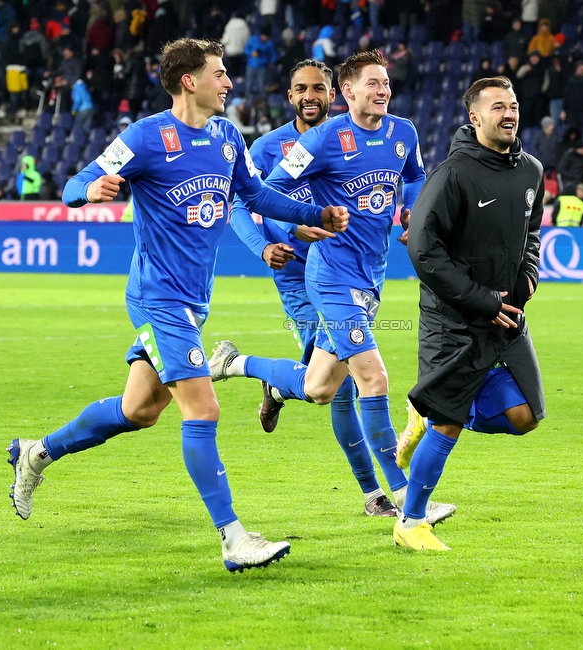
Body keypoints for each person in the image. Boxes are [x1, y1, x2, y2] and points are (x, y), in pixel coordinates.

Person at [5, 38, 349, 573]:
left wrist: (314, 212)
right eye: (219, 73)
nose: (229, 82)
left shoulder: (229, 137)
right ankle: (234, 538)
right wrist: (89, 190)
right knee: (204, 408)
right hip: (157, 297)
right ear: (189, 81)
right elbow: (74, 180)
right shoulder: (146, 137)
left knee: (139, 411)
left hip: (193, 301)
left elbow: (255, 198)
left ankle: (36, 452)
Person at [206, 50, 453, 524]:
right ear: (350, 91)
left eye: (386, 83)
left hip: (370, 277)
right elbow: (265, 190)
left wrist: (411, 213)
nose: (383, 90)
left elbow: (417, 178)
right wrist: (299, 224)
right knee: (372, 378)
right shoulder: (321, 140)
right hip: (328, 276)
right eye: (374, 83)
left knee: (321, 387)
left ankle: (237, 363)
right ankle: (402, 497)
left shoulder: (404, 133)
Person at [228, 59, 403, 518]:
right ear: (290, 96)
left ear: (334, 93)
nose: (311, 96)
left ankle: (271, 382)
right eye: (301, 89)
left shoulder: (352, 137)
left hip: (352, 273)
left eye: (318, 89)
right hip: (299, 277)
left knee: (326, 383)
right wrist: (269, 246)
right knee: (339, 387)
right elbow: (242, 206)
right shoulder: (269, 148)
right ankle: (375, 496)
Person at [392, 76, 545, 551]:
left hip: (504, 315)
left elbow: (532, 237)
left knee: (525, 416)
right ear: (475, 117)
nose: (509, 113)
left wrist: (525, 284)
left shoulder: (532, 171)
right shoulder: (453, 174)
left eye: (514, 104)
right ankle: (410, 523)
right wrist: (484, 300)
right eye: (498, 106)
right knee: (449, 424)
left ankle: (428, 405)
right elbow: (423, 249)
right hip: (453, 320)